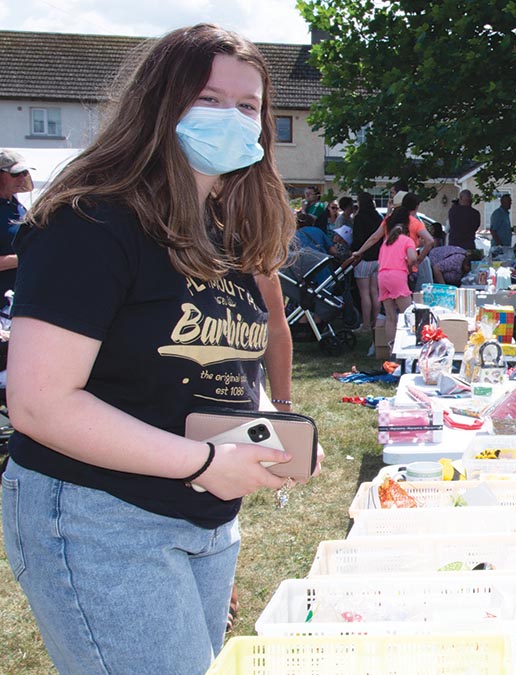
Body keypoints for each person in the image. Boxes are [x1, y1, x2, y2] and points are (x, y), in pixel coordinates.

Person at [2, 24, 302, 674]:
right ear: (160, 102)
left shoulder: (229, 236)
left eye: (247, 106)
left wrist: (269, 432)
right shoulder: (91, 222)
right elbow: (39, 403)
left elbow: (219, 371)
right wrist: (204, 461)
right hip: (101, 513)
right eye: (209, 98)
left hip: (204, 515)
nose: (231, 118)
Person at [377, 199, 421, 354]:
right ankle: (408, 350)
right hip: (397, 275)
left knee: (390, 316)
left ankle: (391, 351)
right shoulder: (407, 240)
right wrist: (409, 265)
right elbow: (413, 258)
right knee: (408, 314)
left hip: (382, 276)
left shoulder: (386, 242)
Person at [0, 149, 33, 303]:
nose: (21, 178)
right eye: (15, 174)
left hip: (19, 299)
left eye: (24, 173)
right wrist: (26, 257)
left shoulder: (16, 206)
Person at [349, 191, 383, 332]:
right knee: (375, 292)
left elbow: (358, 239)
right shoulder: (378, 217)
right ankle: (376, 322)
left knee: (364, 293)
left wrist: (354, 251)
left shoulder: (359, 218)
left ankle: (366, 324)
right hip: (377, 258)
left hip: (363, 258)